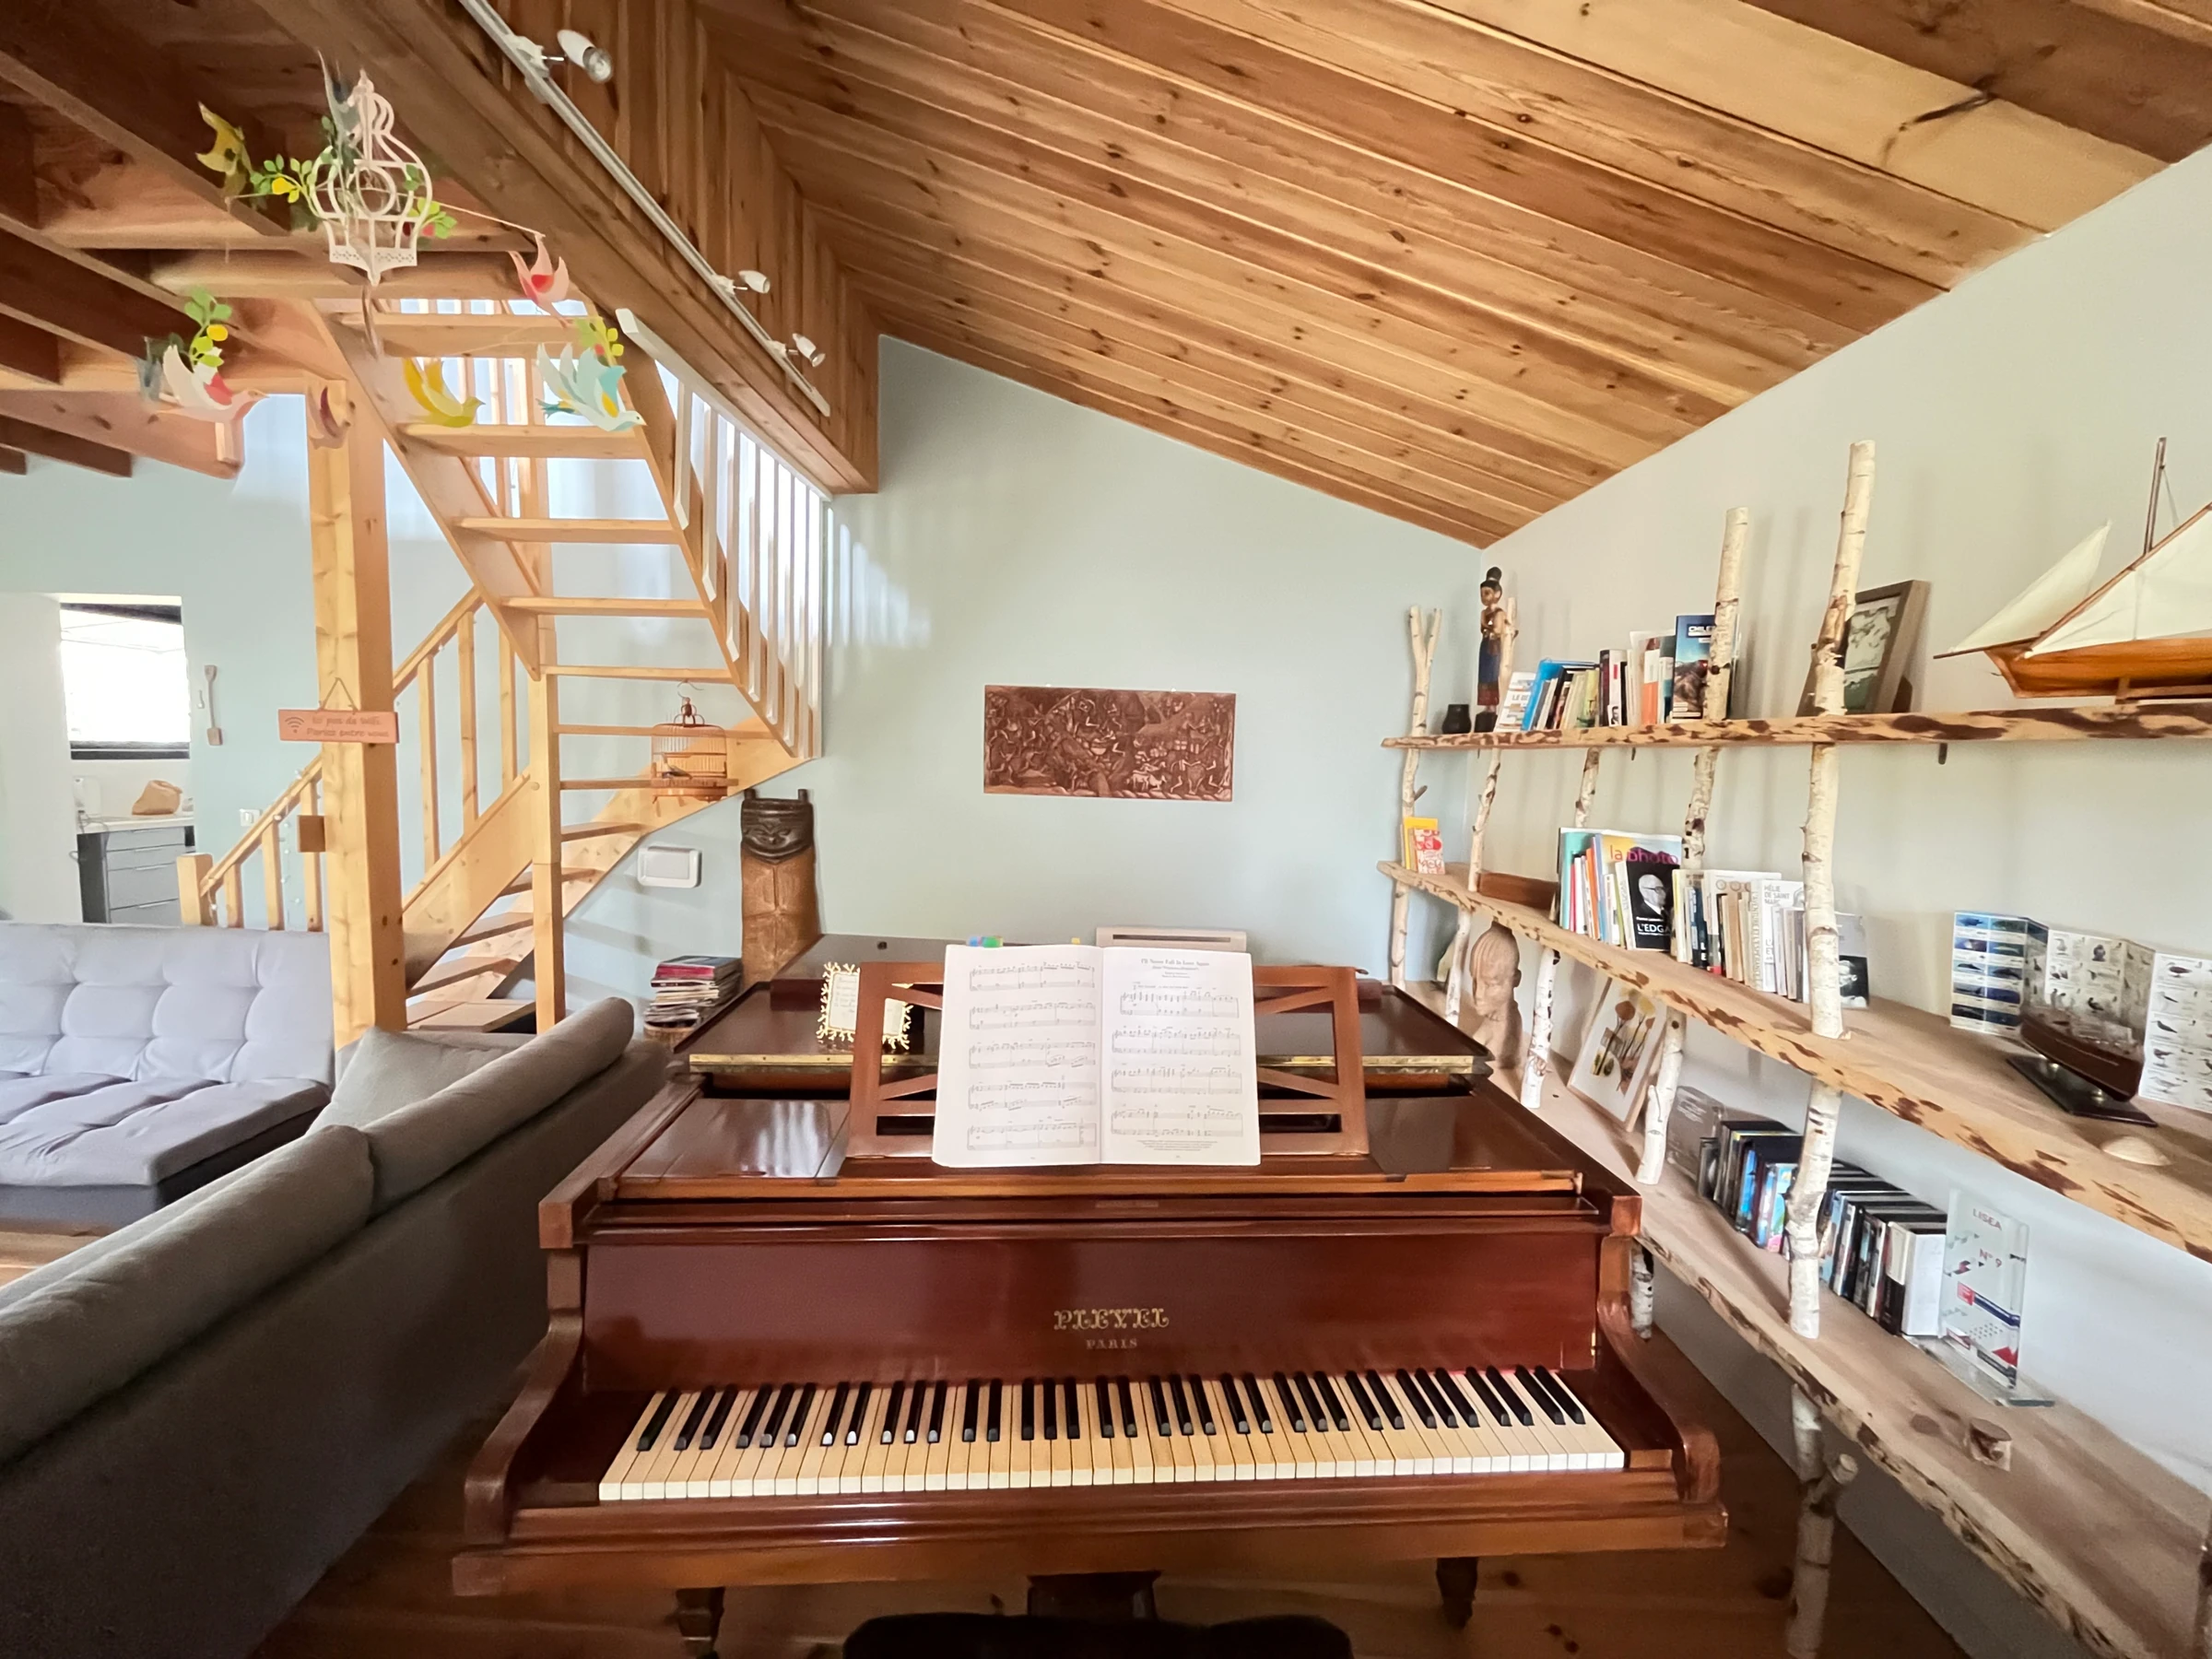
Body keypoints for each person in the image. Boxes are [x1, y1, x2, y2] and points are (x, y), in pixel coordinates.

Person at [1475, 566, 1507, 732]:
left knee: (1492, 674)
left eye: (1487, 593)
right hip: (1485, 644)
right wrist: (1489, 629)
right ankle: (1486, 705)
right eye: (1482, 594)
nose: (1484, 597)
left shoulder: (1499, 613)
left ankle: (1493, 706)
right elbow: (1484, 628)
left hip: (1494, 645)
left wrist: (1491, 630)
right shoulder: (1484, 613)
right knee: (1484, 675)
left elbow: (1498, 629)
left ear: (1497, 594)